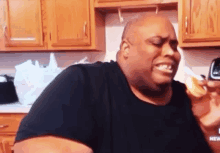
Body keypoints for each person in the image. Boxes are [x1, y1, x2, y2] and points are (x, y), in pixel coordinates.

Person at [13, 14, 220, 153]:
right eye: (157, 43)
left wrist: (210, 130)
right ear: (126, 49)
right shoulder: (84, 82)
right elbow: (28, 145)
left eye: (174, 46)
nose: (171, 53)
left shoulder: (187, 98)